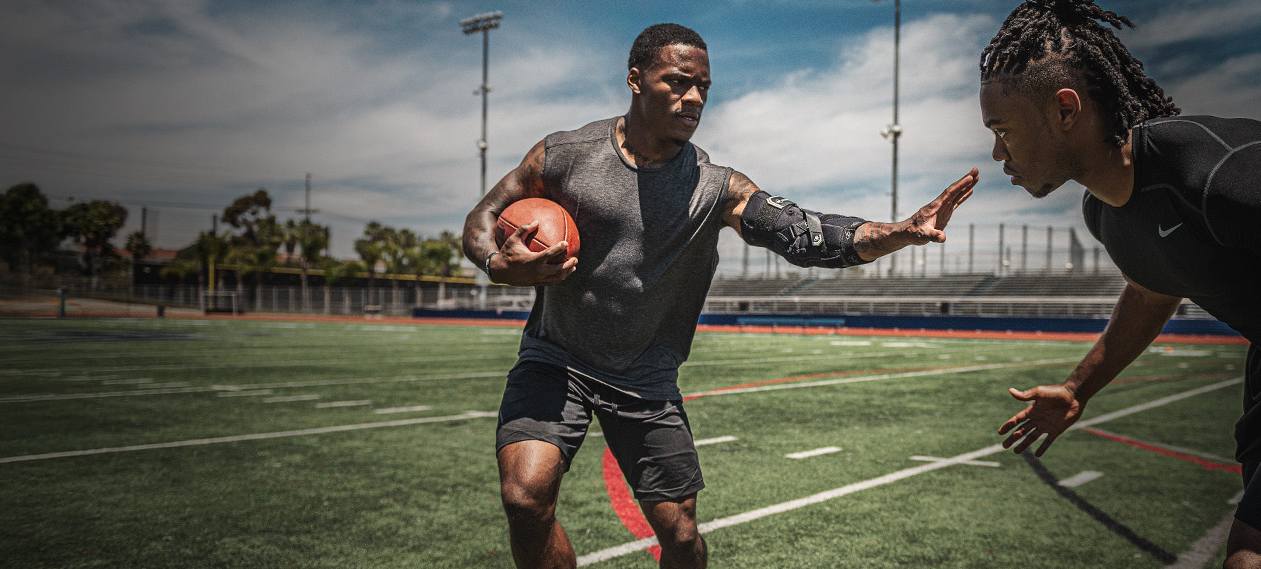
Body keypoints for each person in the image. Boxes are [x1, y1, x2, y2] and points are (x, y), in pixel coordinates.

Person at [462, 23, 978, 569]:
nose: (695, 99)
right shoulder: (564, 155)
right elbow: (484, 216)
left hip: (646, 378)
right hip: (557, 357)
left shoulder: (716, 187)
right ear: (635, 80)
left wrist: (898, 231)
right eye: (679, 83)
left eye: (704, 87)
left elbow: (806, 234)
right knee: (524, 496)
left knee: (682, 536)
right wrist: (497, 264)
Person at [978, 1, 1261, 566]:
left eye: (1003, 129)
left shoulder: (1220, 174)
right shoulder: (1104, 213)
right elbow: (1154, 285)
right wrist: (1078, 388)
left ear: (1064, 110)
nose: (997, 152)